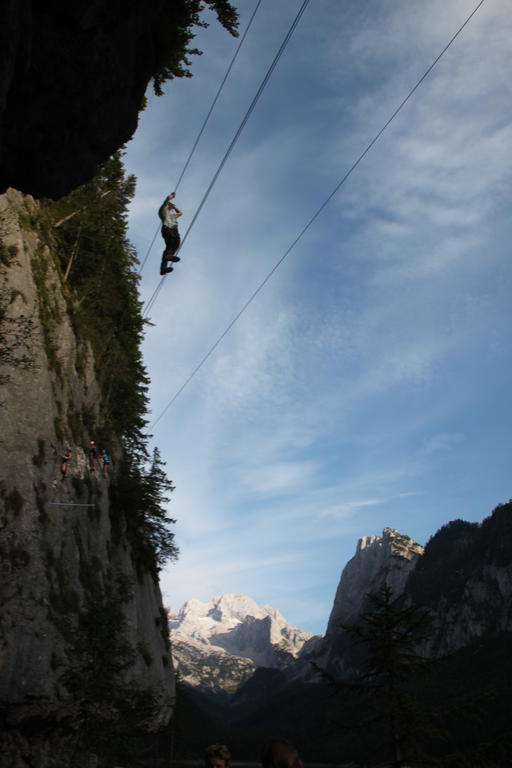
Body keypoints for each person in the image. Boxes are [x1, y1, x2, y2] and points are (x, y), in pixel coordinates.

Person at [158, 192, 182, 275]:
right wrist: (171, 197)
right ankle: (168, 256)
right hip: (167, 229)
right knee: (170, 243)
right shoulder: (163, 210)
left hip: (174, 231)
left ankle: (163, 269)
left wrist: (174, 207)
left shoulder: (172, 216)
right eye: (170, 207)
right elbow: (167, 200)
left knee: (176, 244)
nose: (170, 209)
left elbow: (180, 213)